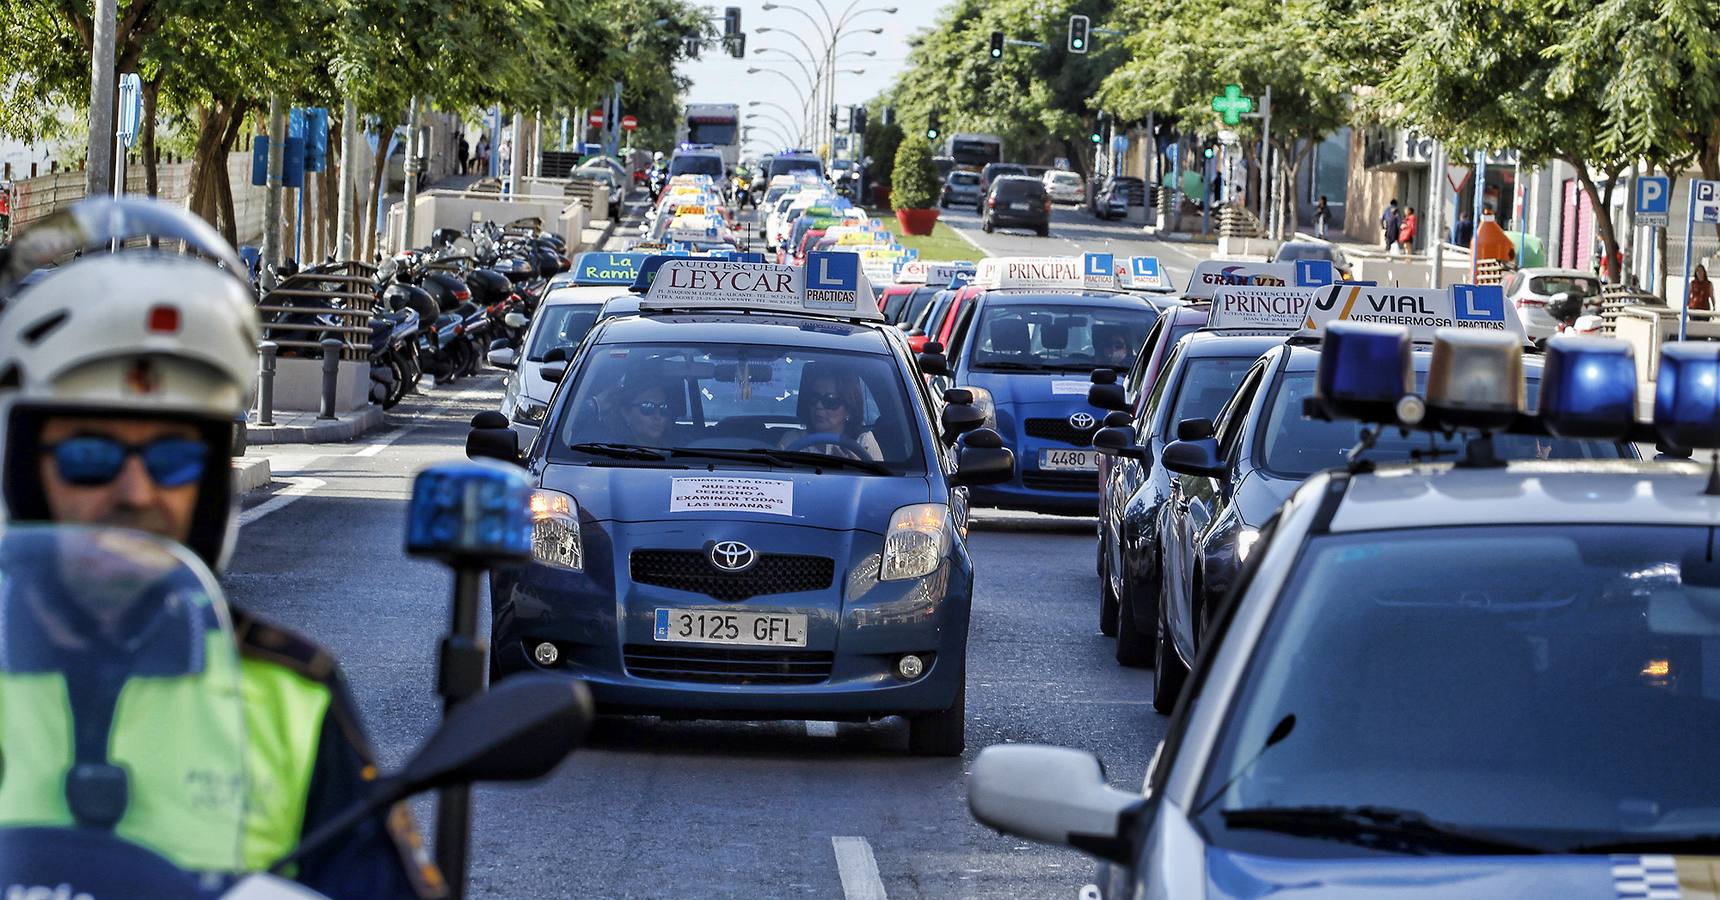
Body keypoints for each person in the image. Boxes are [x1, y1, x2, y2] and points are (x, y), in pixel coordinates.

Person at [0, 198, 444, 898]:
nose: (137, 491)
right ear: (25, 468)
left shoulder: (285, 694)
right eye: (91, 454)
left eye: (175, 459)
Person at [780, 367, 881, 460]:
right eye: (814, 398)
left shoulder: (863, 442)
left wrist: (858, 468)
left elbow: (880, 478)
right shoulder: (791, 441)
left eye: (830, 400)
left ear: (849, 409)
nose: (818, 406)